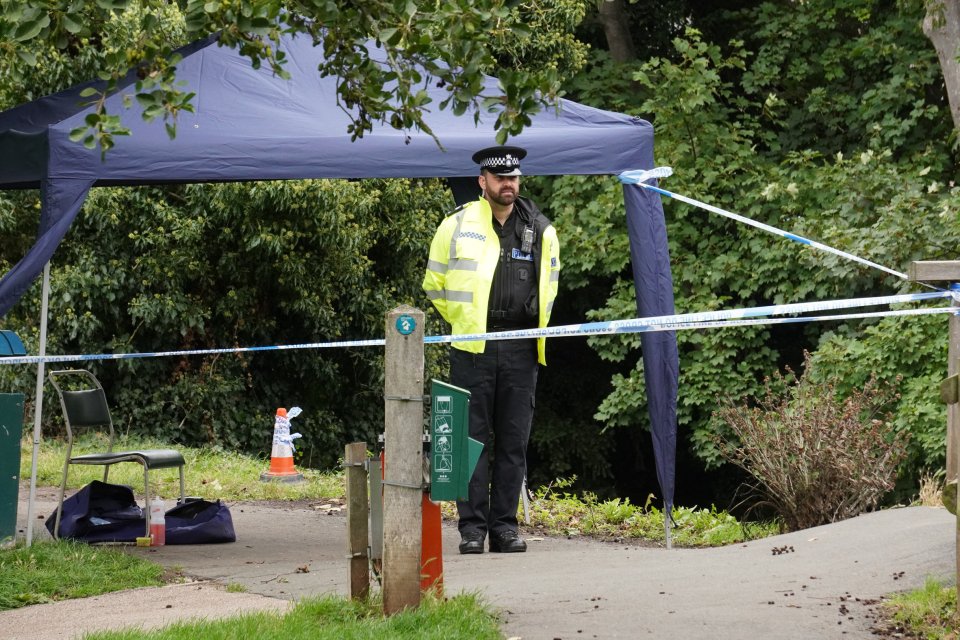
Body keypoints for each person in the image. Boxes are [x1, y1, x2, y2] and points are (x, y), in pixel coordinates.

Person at [422, 145, 560, 554]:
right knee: (471, 441)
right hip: (473, 345)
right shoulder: (456, 224)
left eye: (514, 178)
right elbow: (435, 284)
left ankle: (504, 527)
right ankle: (471, 528)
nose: (508, 185)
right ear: (483, 182)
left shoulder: (541, 229)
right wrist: (465, 321)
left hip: (520, 346)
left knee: (514, 442)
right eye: (500, 179)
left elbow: (550, 287)